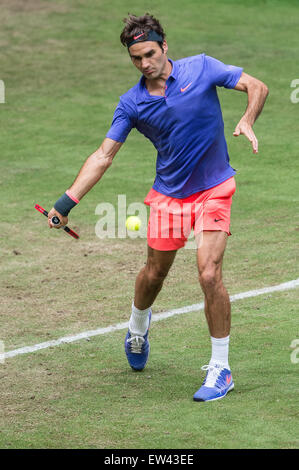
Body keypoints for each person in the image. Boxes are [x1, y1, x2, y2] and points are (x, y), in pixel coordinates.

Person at [48, 14, 268, 402]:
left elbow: (256, 86)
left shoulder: (201, 67)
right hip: (168, 197)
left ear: (164, 47)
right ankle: (137, 326)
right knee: (154, 273)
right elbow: (104, 155)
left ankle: (221, 369)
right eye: (136, 58)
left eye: (150, 53)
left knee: (209, 273)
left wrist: (247, 119)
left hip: (215, 188)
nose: (145, 63)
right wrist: (66, 203)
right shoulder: (131, 104)